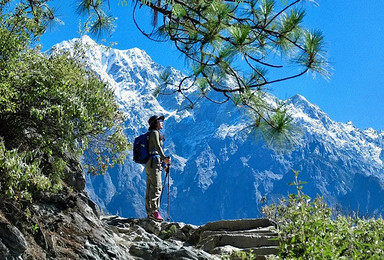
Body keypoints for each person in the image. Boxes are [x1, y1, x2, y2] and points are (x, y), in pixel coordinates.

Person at [145, 115, 171, 222]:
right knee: (157, 187)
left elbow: (155, 150)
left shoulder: (151, 134)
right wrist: (165, 159)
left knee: (150, 187)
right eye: (160, 121)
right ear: (155, 123)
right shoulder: (155, 133)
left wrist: (163, 165)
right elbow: (158, 147)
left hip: (150, 163)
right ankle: (155, 212)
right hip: (154, 164)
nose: (162, 122)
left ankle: (149, 212)